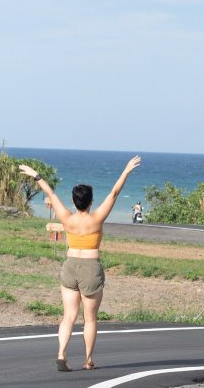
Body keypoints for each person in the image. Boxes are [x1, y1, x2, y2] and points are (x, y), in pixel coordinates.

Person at [19, 155, 141, 372]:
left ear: (75, 201)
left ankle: (61, 354)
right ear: (91, 201)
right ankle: (88, 360)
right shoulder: (96, 219)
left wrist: (36, 175)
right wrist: (126, 170)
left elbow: (51, 193)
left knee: (69, 316)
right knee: (90, 319)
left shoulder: (67, 218)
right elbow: (114, 193)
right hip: (90, 268)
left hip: (70, 266)